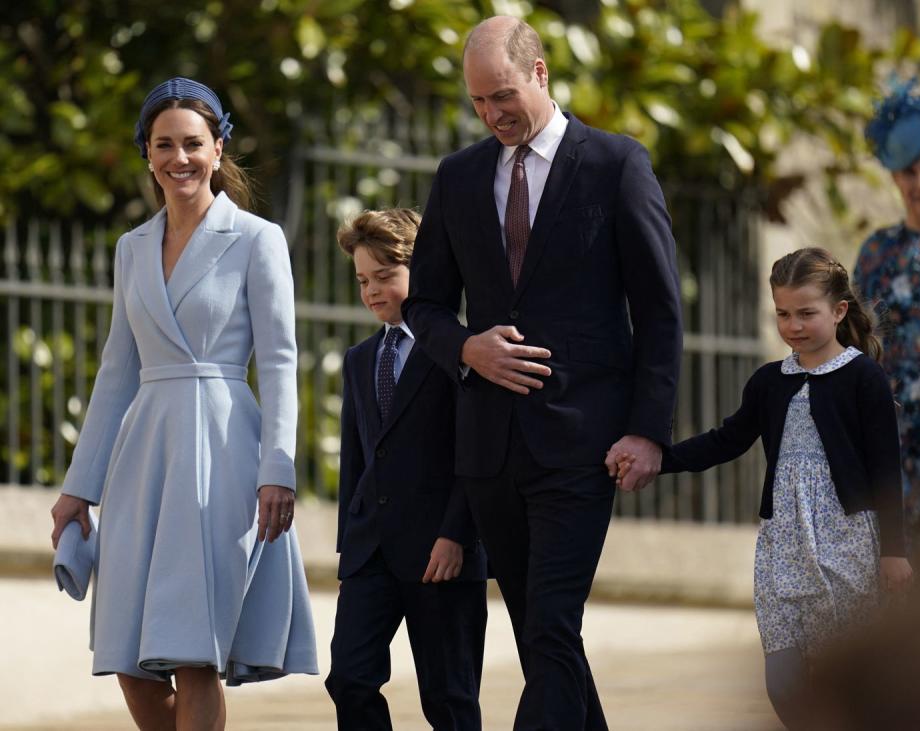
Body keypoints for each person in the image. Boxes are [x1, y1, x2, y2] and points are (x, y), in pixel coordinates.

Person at [402, 16, 683, 730]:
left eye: (502, 95)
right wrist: (467, 348)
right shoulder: (458, 178)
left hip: (583, 445)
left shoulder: (617, 164)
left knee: (553, 623)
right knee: (542, 637)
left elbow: (659, 311)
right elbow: (426, 303)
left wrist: (647, 430)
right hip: (491, 451)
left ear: (540, 73)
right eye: (478, 103)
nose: (493, 114)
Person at [48, 77, 317, 730]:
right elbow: (117, 371)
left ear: (219, 148)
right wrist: (77, 489)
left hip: (221, 454)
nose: (180, 158)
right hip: (143, 460)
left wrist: (277, 467)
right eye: (164, 145)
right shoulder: (131, 248)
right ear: (147, 154)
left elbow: (280, 360)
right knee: (128, 657)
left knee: (193, 652)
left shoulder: (258, 239)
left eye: (193, 143)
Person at [634, 247, 912, 729]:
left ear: (838, 311)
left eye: (807, 313)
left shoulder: (863, 379)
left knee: (842, 681)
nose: (793, 325)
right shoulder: (768, 382)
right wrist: (660, 458)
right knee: (782, 681)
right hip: (782, 547)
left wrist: (895, 551)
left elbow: (887, 470)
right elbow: (726, 441)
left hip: (847, 547)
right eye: (783, 314)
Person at [325, 208, 488, 729]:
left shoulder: (463, 351)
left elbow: (477, 454)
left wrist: (456, 535)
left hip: (442, 552)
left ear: (424, 272)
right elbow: (358, 460)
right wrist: (349, 545)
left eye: (385, 277)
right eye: (362, 281)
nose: (371, 291)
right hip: (371, 551)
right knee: (349, 678)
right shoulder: (359, 358)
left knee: (449, 699)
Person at [854, 79, 920, 583]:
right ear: (895, 180)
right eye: (909, 172)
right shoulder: (877, 254)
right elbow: (857, 350)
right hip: (894, 456)